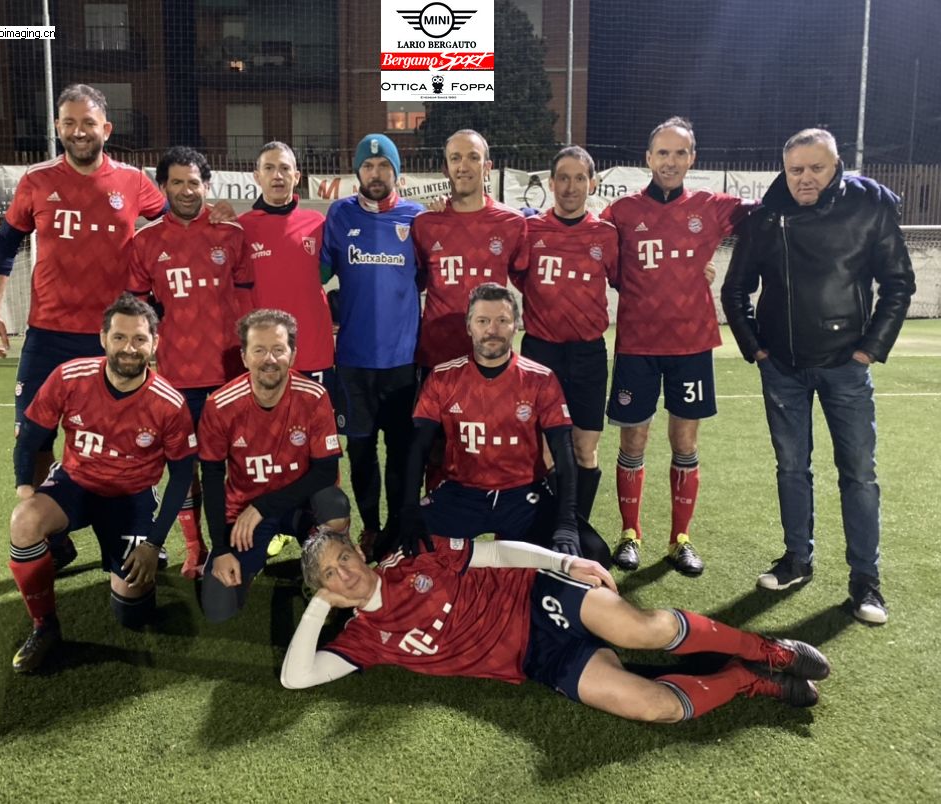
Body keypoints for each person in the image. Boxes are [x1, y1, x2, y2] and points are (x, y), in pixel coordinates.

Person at [280, 529, 831, 723]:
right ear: (325, 589)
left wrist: (564, 562)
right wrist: (320, 607)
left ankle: (770, 650)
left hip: (536, 597)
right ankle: (746, 679)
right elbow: (296, 678)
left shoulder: (415, 557)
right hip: (535, 660)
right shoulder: (362, 641)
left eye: (343, 558)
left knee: (641, 630)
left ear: (358, 552)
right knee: (653, 707)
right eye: (329, 575)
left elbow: (496, 554)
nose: (344, 573)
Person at [721, 128, 916, 624]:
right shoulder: (765, 216)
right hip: (782, 369)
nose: (805, 178)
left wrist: (869, 351)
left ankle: (865, 580)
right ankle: (796, 560)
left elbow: (898, 283)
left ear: (837, 166)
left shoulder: (870, 205)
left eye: (816, 168)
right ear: (784, 170)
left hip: (846, 368)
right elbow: (735, 290)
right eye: (795, 169)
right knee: (791, 468)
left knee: (859, 473)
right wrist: (756, 350)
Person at [0, 84, 168, 566]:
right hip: (48, 334)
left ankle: (136, 521)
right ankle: (53, 535)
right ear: (58, 127)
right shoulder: (37, 180)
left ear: (106, 128)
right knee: (34, 436)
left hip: (115, 341)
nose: (79, 131)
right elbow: (4, 248)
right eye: (69, 122)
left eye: (88, 123)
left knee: (131, 434)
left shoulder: (133, 181)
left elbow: (174, 228)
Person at [7, 295, 198, 673]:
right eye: (119, 337)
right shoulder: (69, 377)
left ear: (154, 344)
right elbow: (29, 435)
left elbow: (181, 477)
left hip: (131, 497)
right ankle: (45, 626)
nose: (129, 348)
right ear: (103, 338)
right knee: (24, 521)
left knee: (132, 614)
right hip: (75, 484)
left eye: (140, 339)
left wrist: (154, 542)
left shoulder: (169, 403)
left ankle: (141, 554)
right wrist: (25, 488)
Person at [602, 117, 752, 576]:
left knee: (684, 441)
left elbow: (769, 212)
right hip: (637, 344)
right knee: (634, 438)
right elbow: (595, 253)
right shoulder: (622, 212)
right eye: (663, 153)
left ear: (692, 158)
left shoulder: (710, 207)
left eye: (680, 153)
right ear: (648, 158)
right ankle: (630, 533)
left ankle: (680, 539)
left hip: (691, 344)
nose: (670, 161)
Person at [127, 146, 253, 579]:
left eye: (194, 182)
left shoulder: (230, 234)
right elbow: (139, 313)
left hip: (230, 375)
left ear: (207, 185)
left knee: (237, 463)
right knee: (185, 469)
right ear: (163, 187)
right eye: (177, 182)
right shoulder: (145, 242)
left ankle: (232, 540)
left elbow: (247, 302)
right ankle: (195, 547)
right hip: (176, 379)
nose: (186, 190)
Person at [398, 283, 581, 559]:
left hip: (523, 495)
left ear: (516, 325)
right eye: (483, 321)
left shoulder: (540, 379)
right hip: (461, 493)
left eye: (502, 321)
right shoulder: (443, 378)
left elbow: (563, 451)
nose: (492, 330)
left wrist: (566, 522)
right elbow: (418, 447)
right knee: (402, 550)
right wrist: (410, 509)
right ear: (469, 326)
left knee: (589, 554)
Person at [198, 309, 351, 623]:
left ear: (292, 355)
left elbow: (325, 471)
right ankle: (252, 557)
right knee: (218, 608)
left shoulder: (314, 396)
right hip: (245, 513)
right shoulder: (220, 405)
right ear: (244, 357)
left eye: (278, 349)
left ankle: (325, 561)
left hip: (301, 506)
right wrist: (221, 548)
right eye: (259, 350)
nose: (269, 359)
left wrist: (263, 506)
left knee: (333, 502)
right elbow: (211, 477)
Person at [320, 134, 424, 556]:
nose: (375, 173)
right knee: (361, 452)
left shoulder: (417, 218)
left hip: (402, 361)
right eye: (368, 166)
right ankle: (371, 527)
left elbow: (427, 277)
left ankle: (398, 528)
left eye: (384, 166)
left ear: (396, 172)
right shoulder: (340, 214)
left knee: (401, 452)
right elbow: (318, 271)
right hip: (354, 361)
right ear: (357, 172)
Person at [513, 145, 618, 537]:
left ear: (592, 183)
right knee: (542, 451)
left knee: (584, 448)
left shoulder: (606, 235)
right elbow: (517, 276)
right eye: (563, 178)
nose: (571, 187)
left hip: (589, 354)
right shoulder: (530, 231)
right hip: (541, 354)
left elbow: (628, 279)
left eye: (579, 178)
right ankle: (542, 532)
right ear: (551, 183)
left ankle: (574, 530)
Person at [412, 129, 528, 373]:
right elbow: (415, 283)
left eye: (473, 157)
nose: (463, 166)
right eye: (455, 158)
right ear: (445, 168)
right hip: (437, 356)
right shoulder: (425, 224)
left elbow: (526, 281)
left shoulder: (512, 223)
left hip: (489, 355)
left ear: (487, 167)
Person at [240, 142, 335, 397]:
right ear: (257, 176)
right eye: (269, 168)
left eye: (284, 168)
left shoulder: (318, 223)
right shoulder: (240, 228)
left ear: (297, 176)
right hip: (265, 352)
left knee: (317, 421)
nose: (277, 175)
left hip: (313, 349)